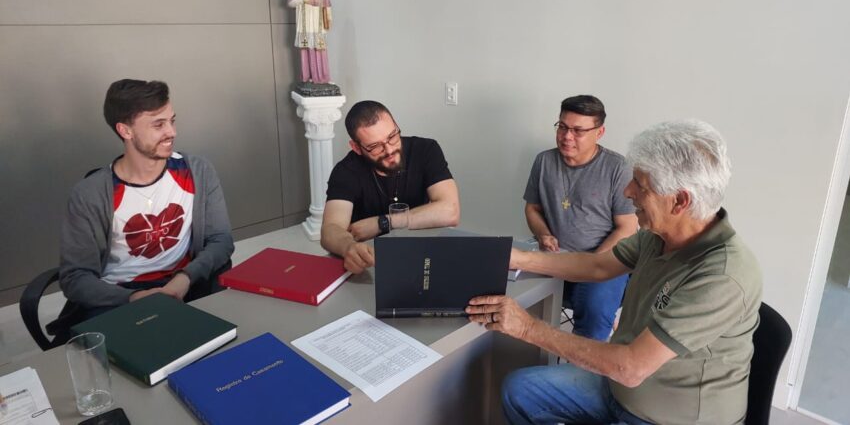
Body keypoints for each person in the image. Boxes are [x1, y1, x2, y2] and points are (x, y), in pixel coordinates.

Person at [467, 120, 762, 425]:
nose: (628, 191)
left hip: (666, 416)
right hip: (619, 388)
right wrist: (521, 259)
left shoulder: (722, 276)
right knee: (520, 391)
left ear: (680, 201)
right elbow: (598, 266)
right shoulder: (659, 235)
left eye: (640, 185)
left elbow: (631, 368)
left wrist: (527, 328)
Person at [55, 79, 234, 333]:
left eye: (172, 121)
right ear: (125, 131)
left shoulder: (198, 171)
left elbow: (221, 240)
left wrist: (185, 278)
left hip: (186, 281)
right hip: (122, 297)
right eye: (158, 125)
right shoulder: (89, 195)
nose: (171, 132)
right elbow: (75, 277)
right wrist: (133, 298)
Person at [523, 95, 637, 340]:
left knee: (593, 317)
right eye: (562, 127)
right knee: (514, 297)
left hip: (602, 260)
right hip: (555, 258)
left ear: (599, 132)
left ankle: (583, 361)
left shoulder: (617, 168)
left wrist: (592, 262)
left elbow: (627, 227)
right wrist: (543, 233)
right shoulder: (544, 161)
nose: (567, 136)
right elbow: (532, 209)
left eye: (578, 130)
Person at [321, 100, 460, 274]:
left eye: (392, 136)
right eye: (374, 146)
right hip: (370, 261)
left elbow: (450, 211)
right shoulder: (345, 171)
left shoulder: (426, 150)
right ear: (356, 147)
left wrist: (382, 223)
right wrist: (348, 246)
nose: (389, 150)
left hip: (422, 253)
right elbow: (331, 229)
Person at [287, 0, 333, 84]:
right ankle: (308, 77)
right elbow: (290, 2)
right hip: (306, 19)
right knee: (307, 49)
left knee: (320, 48)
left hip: (318, 20)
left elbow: (327, 2)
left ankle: (322, 77)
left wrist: (329, 17)